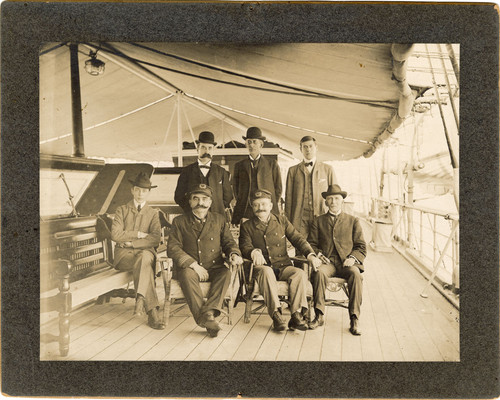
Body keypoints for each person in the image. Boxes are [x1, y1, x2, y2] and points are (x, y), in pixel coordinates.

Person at [239, 189, 322, 332]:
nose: (261, 208)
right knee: (266, 271)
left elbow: (298, 239)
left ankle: (295, 315)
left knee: (299, 273)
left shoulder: (282, 221)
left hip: (283, 265)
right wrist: (253, 251)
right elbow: (244, 245)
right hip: (261, 267)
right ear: (252, 207)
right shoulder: (247, 226)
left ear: (271, 206)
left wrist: (310, 255)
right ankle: (276, 314)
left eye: (264, 204)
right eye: (256, 205)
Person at [167, 184, 243, 337]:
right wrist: (193, 265)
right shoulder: (179, 221)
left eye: (204, 199)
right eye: (195, 199)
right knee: (187, 275)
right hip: (190, 268)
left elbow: (229, 243)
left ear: (210, 202)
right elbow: (173, 248)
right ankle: (208, 317)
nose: (200, 203)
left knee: (226, 273)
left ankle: (207, 314)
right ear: (190, 202)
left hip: (214, 266)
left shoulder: (219, 220)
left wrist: (234, 254)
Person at [307, 184, 366, 335]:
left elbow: (361, 246)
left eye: (337, 198)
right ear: (326, 202)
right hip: (328, 263)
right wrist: (318, 254)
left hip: (346, 263)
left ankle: (354, 319)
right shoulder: (318, 221)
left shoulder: (353, 221)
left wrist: (353, 258)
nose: (333, 201)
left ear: (342, 201)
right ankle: (319, 315)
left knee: (355, 275)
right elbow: (311, 244)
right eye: (330, 199)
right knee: (319, 273)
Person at [111, 172, 165, 330]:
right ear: (132, 191)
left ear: (149, 192)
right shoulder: (122, 210)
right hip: (124, 257)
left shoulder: (153, 213)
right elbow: (115, 234)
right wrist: (139, 235)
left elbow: (155, 238)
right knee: (145, 261)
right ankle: (148, 306)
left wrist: (130, 243)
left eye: (144, 190)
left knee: (144, 259)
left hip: (138, 253)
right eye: (138, 190)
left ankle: (144, 303)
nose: (141, 193)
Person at [285, 135, 337, 239]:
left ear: (316, 148)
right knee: (300, 249)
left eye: (311, 146)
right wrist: (288, 223)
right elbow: (288, 199)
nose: (308, 149)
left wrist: (334, 218)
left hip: (321, 217)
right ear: (301, 149)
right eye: (305, 147)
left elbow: (335, 196)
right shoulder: (293, 171)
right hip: (299, 219)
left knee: (322, 249)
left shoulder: (328, 169)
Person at [174, 131, 233, 216]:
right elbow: (178, 196)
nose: (206, 151)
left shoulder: (222, 172)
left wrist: (218, 208)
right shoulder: (186, 171)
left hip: (216, 219)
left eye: (210, 148)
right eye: (203, 147)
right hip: (192, 219)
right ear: (197, 149)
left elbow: (228, 196)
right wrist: (190, 209)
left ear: (213, 150)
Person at [231, 127, 282, 224]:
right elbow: (236, 190)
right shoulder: (239, 166)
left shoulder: (272, 164)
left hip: (266, 210)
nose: (251, 145)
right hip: (246, 211)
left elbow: (278, 189)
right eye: (249, 142)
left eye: (254, 142)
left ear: (261, 144)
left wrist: (269, 204)